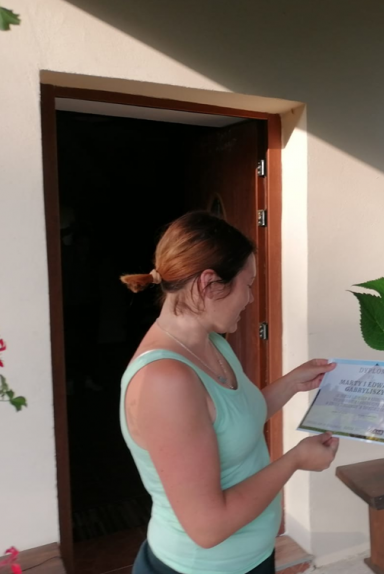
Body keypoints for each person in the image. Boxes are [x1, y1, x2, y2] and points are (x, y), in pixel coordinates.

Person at [119, 211, 339, 574]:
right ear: (209, 284)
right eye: (247, 284)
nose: (250, 298)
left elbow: (230, 424)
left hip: (250, 558)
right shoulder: (166, 380)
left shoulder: (211, 343)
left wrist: (290, 384)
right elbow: (208, 527)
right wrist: (295, 461)